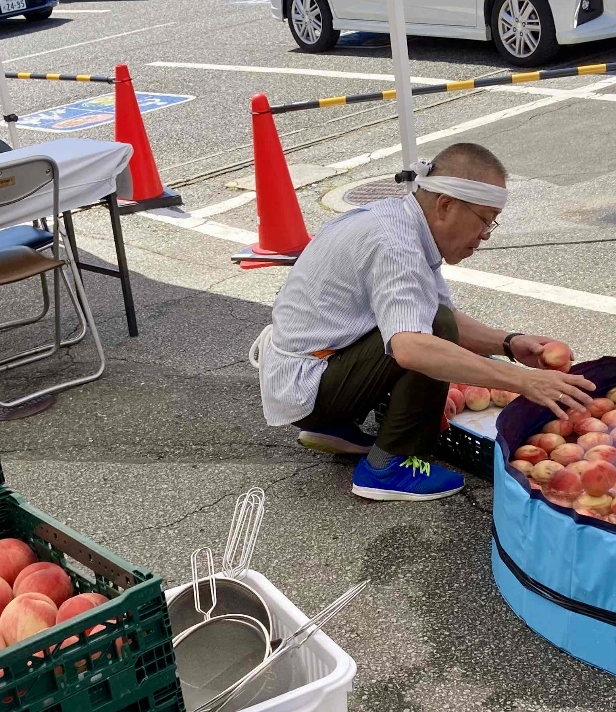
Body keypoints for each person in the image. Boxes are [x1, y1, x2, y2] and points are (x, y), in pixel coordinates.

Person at [255, 143, 596, 503]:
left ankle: (332, 428)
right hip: (308, 388)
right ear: (446, 205)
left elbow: (434, 312)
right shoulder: (395, 244)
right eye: (485, 219)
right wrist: (524, 381)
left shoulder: (400, 222)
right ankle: (388, 466)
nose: (486, 234)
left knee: (432, 323)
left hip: (307, 375)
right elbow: (415, 345)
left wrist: (509, 343)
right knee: (429, 334)